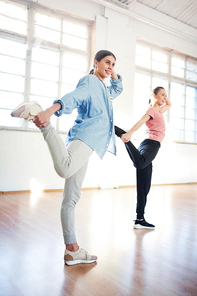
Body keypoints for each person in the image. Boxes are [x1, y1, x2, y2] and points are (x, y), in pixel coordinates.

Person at [11, 50, 123, 265]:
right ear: (95, 62)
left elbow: (118, 89)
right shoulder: (90, 81)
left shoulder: (105, 90)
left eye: (114, 64)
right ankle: (41, 121)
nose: (110, 67)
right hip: (86, 137)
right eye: (107, 62)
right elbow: (75, 96)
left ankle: (72, 250)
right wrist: (51, 110)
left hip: (87, 141)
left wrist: (113, 72)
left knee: (70, 199)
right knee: (64, 168)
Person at [115, 86, 171, 229]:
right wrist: (129, 133)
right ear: (154, 95)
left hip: (147, 145)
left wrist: (163, 98)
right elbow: (141, 121)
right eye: (162, 94)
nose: (164, 97)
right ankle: (122, 135)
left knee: (144, 186)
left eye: (166, 95)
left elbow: (169, 104)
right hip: (151, 144)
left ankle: (139, 219)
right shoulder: (152, 110)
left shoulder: (159, 110)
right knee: (140, 164)